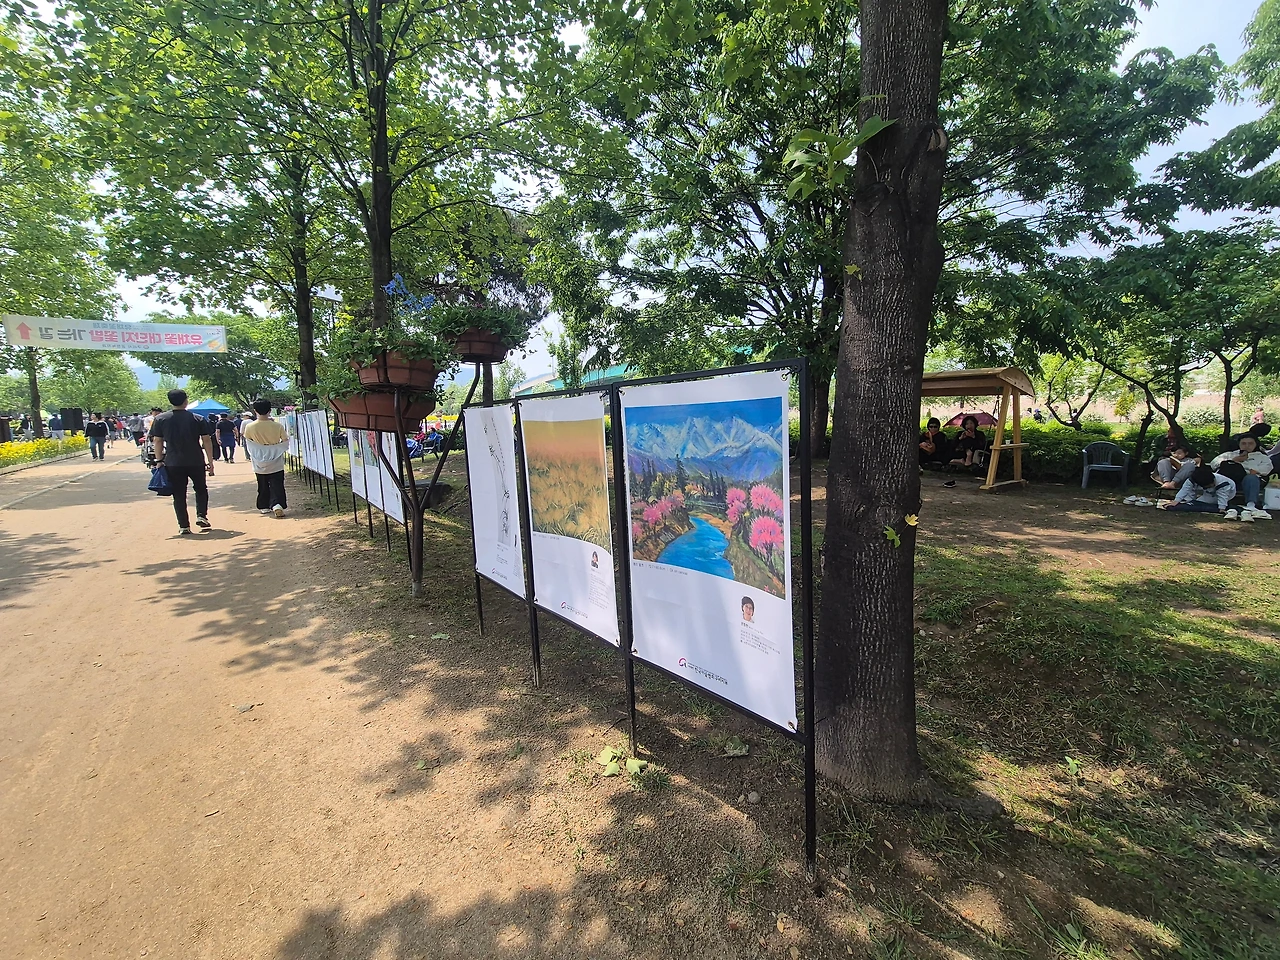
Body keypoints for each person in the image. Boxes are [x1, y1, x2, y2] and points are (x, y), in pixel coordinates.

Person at [149, 389, 216, 534]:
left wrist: (159, 460)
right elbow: (206, 440)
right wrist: (210, 462)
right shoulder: (197, 418)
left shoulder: (160, 419)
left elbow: (158, 441)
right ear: (186, 401)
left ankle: (184, 525)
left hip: (173, 462)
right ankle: (201, 515)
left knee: (179, 493)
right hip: (196, 460)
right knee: (201, 489)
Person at [242, 398, 290, 518]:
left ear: (255, 411)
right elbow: (285, 440)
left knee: (262, 484)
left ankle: (264, 506)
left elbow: (248, 441)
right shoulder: (277, 426)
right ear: (269, 410)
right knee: (277, 483)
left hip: (259, 461)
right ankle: (277, 504)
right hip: (276, 460)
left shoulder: (250, 426)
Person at [1211, 435, 1273, 521]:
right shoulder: (1230, 454)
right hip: (1230, 479)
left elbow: (1267, 468)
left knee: (1251, 478)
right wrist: (1234, 460)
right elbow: (1214, 464)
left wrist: (1252, 470)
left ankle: (1251, 505)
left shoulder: (1261, 457)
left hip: (1249, 480)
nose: (1247, 446)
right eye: (1243, 443)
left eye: (1250, 443)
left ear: (1256, 444)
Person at [1158, 465, 1236, 515]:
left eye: (1212, 484)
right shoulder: (1192, 479)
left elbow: (1223, 496)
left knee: (1202, 504)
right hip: (1207, 493)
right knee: (1197, 502)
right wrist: (1175, 501)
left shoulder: (1223, 483)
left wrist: (1222, 508)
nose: (1212, 485)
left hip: (1228, 493)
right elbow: (1184, 489)